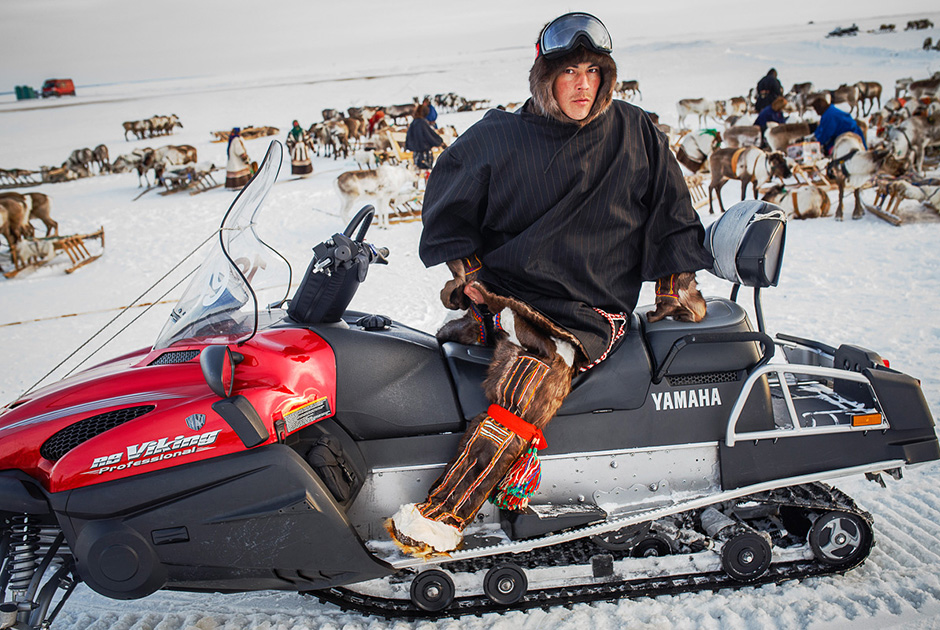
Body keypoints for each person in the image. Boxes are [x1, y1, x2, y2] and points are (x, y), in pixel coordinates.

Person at [387, 12, 713, 556]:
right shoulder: (502, 137)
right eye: (569, 72)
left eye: (593, 71)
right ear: (545, 78)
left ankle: (444, 515)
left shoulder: (635, 132)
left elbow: (673, 211)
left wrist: (675, 286)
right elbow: (448, 203)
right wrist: (467, 276)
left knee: (534, 376)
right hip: (512, 290)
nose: (583, 84)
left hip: (589, 305)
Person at [405, 103, 444, 173]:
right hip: (424, 154)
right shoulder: (422, 123)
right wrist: (440, 142)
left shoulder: (413, 123)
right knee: (427, 171)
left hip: (416, 154)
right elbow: (430, 136)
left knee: (418, 172)